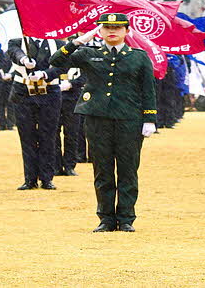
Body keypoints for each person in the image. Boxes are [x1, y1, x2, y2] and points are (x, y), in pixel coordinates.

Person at [52, 13, 160, 232]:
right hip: (97, 119)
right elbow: (56, 61)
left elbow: (148, 90)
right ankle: (106, 218)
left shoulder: (139, 57)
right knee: (102, 169)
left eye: (118, 28)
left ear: (127, 31)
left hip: (129, 119)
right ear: (99, 31)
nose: (112, 31)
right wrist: (78, 41)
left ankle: (127, 218)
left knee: (128, 169)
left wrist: (149, 118)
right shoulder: (89, 54)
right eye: (107, 27)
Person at [10, 36, 67, 190]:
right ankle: (30, 178)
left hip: (49, 92)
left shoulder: (59, 43)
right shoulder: (17, 41)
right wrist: (24, 60)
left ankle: (46, 178)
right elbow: (14, 53)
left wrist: (44, 74)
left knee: (48, 136)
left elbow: (63, 66)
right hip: (23, 93)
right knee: (27, 137)